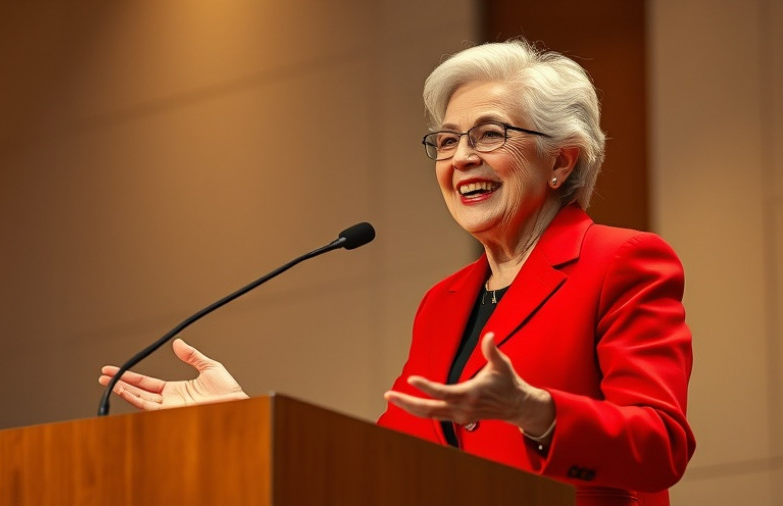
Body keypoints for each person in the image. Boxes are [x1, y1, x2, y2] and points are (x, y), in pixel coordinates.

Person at [99, 39, 695, 506]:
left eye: (491, 134)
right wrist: (245, 424)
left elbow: (661, 446)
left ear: (562, 161)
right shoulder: (445, 301)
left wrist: (535, 411)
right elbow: (385, 466)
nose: (462, 157)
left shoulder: (621, 260)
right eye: (448, 139)